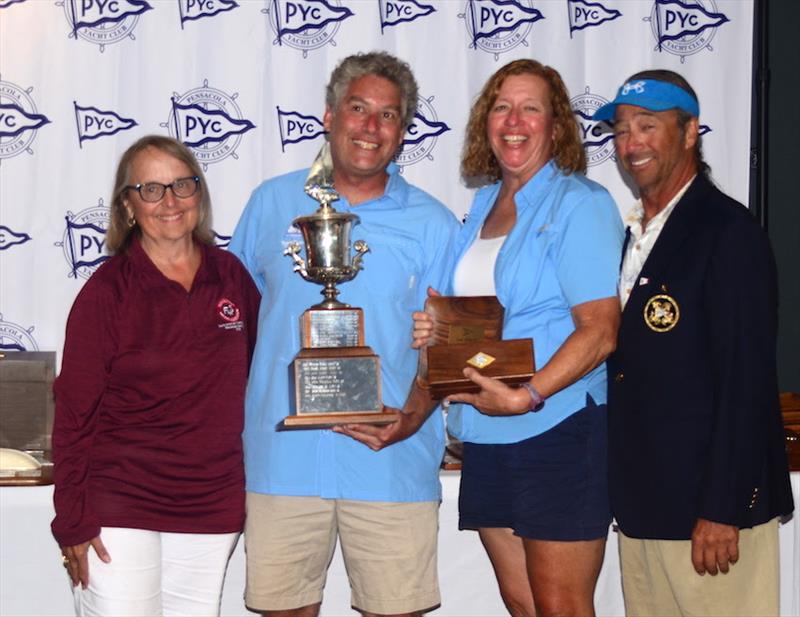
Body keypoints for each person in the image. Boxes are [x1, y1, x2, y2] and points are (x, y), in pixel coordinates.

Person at [228, 52, 459, 617]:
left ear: (404, 133)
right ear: (329, 115)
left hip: (390, 460)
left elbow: (452, 345)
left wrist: (414, 415)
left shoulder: (434, 224)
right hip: (283, 459)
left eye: (388, 116)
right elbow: (229, 323)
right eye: (358, 108)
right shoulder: (271, 203)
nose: (370, 127)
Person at [412, 58, 623, 616]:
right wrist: (436, 330)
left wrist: (529, 395)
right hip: (484, 430)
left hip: (556, 425)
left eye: (532, 108)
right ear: (486, 121)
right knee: (522, 603)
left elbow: (600, 332)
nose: (514, 120)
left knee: (561, 606)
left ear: (556, 128)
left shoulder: (582, 203)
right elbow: (476, 319)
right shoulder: (480, 208)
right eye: (502, 106)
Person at [594, 70, 795, 615]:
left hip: (709, 517)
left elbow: (746, 382)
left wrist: (721, 508)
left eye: (648, 125)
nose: (630, 142)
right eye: (620, 129)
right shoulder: (635, 235)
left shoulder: (727, 233)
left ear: (690, 133)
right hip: (646, 507)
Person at [51, 135, 260, 616]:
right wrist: (72, 519)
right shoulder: (106, 293)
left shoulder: (232, 277)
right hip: (119, 505)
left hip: (212, 503)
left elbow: (266, 379)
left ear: (199, 194)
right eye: (150, 189)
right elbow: (75, 413)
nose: (169, 201)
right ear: (127, 206)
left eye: (181, 185)